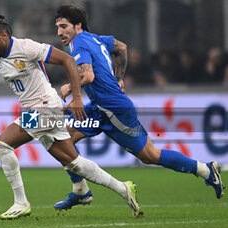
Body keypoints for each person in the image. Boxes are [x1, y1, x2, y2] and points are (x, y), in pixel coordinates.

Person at [53, 4, 225, 210]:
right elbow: (121, 47)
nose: (59, 32)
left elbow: (87, 76)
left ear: (78, 25)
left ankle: (205, 170)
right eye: (58, 27)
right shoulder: (96, 38)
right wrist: (119, 78)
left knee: (149, 155)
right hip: (100, 108)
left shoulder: (79, 43)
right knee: (61, 138)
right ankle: (80, 191)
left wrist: (70, 86)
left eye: (64, 26)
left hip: (114, 110)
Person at [0, 13, 143, 220]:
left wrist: (77, 97)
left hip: (46, 107)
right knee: (75, 163)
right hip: (34, 109)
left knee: (2, 145)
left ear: (3, 36)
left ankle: (21, 202)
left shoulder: (26, 48)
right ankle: (123, 189)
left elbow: (68, 60)